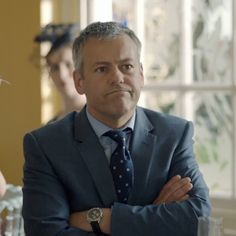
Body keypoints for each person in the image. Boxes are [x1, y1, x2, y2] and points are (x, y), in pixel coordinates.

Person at [23, 21, 211, 236]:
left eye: (127, 66)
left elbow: (199, 218)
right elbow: (46, 233)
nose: (117, 78)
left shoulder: (175, 134)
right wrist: (154, 215)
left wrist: (101, 219)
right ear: (79, 81)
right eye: (102, 69)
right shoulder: (46, 145)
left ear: (140, 74)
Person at [35, 23, 86, 122]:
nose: (62, 75)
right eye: (55, 67)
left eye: (68, 65)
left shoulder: (97, 119)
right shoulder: (52, 124)